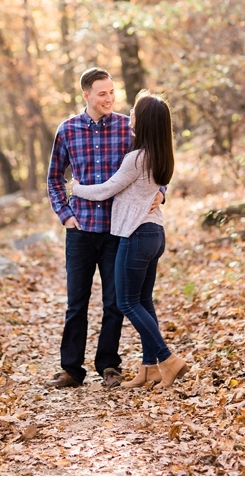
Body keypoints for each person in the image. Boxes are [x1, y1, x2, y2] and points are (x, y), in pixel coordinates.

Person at [46, 67, 164, 389]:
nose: (109, 98)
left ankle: (109, 366)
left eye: (112, 92)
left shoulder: (129, 128)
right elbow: (55, 178)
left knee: (114, 302)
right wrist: (65, 215)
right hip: (80, 230)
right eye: (102, 93)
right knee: (76, 303)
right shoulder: (67, 130)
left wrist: (160, 193)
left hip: (118, 230)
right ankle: (71, 370)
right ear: (86, 95)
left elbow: (155, 163)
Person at [69, 91, 188, 389]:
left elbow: (107, 189)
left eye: (135, 110)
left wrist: (76, 188)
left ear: (143, 120)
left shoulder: (136, 158)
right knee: (143, 301)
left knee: (126, 301)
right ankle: (149, 369)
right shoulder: (162, 155)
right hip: (154, 234)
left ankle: (167, 359)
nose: (130, 113)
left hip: (135, 235)